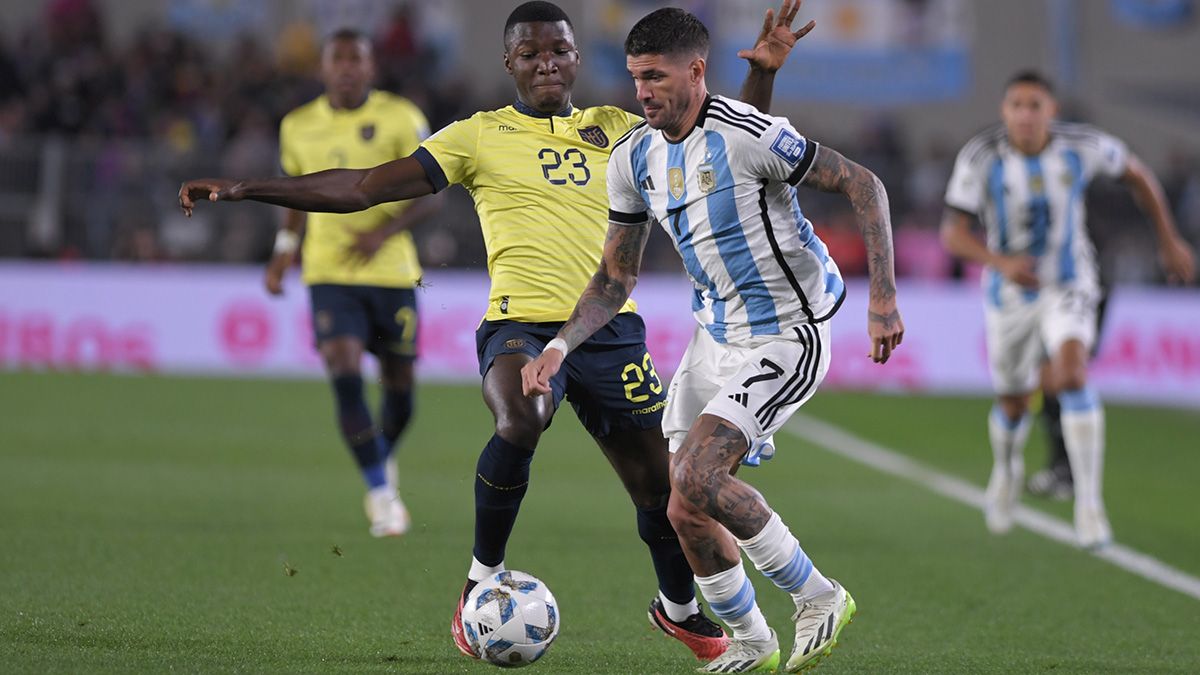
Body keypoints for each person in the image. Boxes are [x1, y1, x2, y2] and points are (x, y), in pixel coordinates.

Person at [178, 0, 815, 662]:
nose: (547, 63)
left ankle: (678, 608)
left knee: (661, 490)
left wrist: (762, 74)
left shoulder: (623, 129)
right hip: (521, 324)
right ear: (509, 62)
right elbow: (364, 186)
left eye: (560, 51)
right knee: (522, 415)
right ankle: (481, 578)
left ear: (576, 58)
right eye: (531, 53)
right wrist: (246, 188)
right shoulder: (477, 135)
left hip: (610, 330)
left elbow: (730, 148)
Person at [521, 8, 902, 673]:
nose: (642, 92)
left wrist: (884, 299)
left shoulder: (748, 134)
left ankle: (818, 596)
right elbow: (615, 277)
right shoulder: (633, 157)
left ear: (696, 70)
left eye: (655, 77)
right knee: (683, 506)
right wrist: (559, 346)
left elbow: (863, 185)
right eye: (636, 78)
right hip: (714, 335)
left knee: (700, 473)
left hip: (788, 329)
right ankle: (752, 640)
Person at [940, 71, 1195, 548]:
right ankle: (1007, 469)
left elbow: (1138, 174)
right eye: (1017, 105)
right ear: (1004, 111)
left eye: (1035, 105)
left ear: (1051, 111)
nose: (1026, 115)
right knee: (1014, 401)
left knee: (1073, 374)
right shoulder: (981, 155)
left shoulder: (1082, 146)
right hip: (1009, 293)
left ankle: (1089, 505)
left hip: (1069, 282)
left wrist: (1168, 239)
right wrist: (1002, 263)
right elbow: (952, 233)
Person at [270, 28, 442, 537]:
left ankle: (380, 458)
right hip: (328, 272)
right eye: (338, 59)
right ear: (322, 68)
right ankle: (380, 492)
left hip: (391, 272)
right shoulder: (297, 126)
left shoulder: (402, 117)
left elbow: (432, 192)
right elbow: (294, 196)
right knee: (343, 372)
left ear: (371, 67)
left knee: (400, 391)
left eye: (356, 59)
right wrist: (284, 250)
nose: (346, 68)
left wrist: (382, 233)